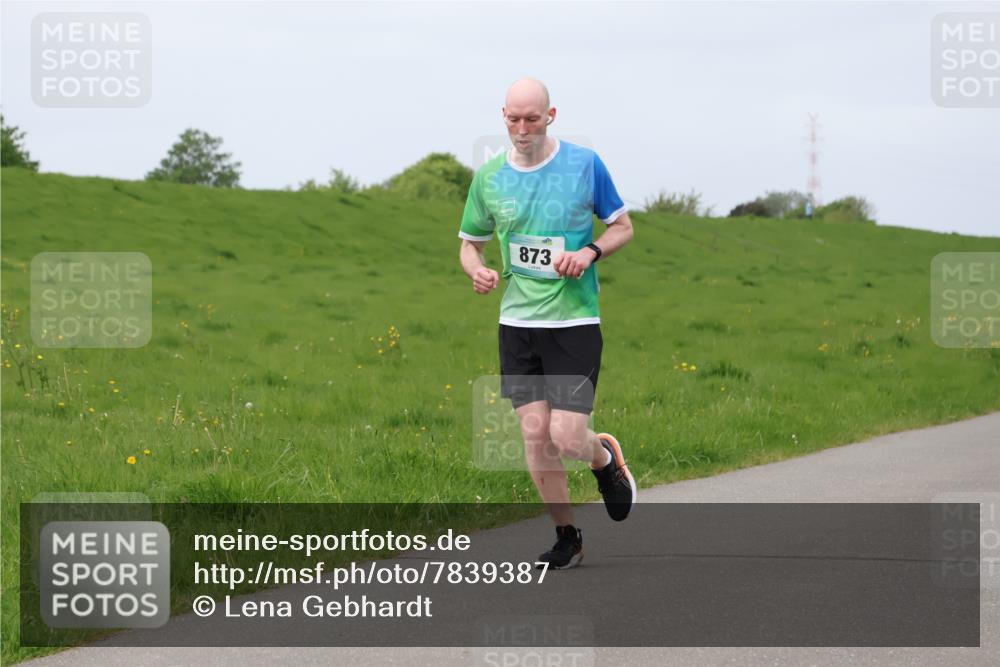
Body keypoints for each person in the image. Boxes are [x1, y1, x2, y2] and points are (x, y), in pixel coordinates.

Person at [458, 77, 636, 570]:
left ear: (551, 116)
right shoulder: (490, 177)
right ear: (503, 115)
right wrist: (478, 270)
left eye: (531, 118)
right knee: (535, 436)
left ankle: (602, 457)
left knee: (565, 437)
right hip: (517, 324)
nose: (521, 128)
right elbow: (469, 243)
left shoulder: (583, 165)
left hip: (575, 321)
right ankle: (567, 536)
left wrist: (588, 252)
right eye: (512, 118)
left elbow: (623, 225)